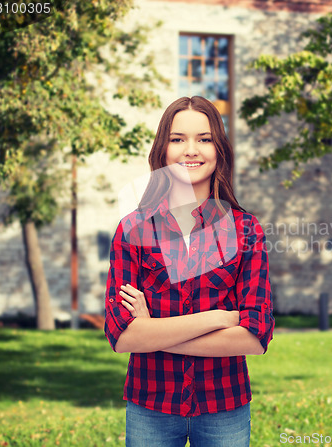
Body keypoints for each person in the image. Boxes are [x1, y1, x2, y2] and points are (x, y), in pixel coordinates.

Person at [104, 96, 275, 447]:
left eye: (205, 139)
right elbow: (122, 336)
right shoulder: (133, 229)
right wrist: (221, 318)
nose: (191, 150)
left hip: (223, 406)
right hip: (150, 405)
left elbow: (255, 338)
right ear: (162, 150)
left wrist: (153, 331)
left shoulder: (245, 230)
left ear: (219, 150)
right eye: (178, 139)